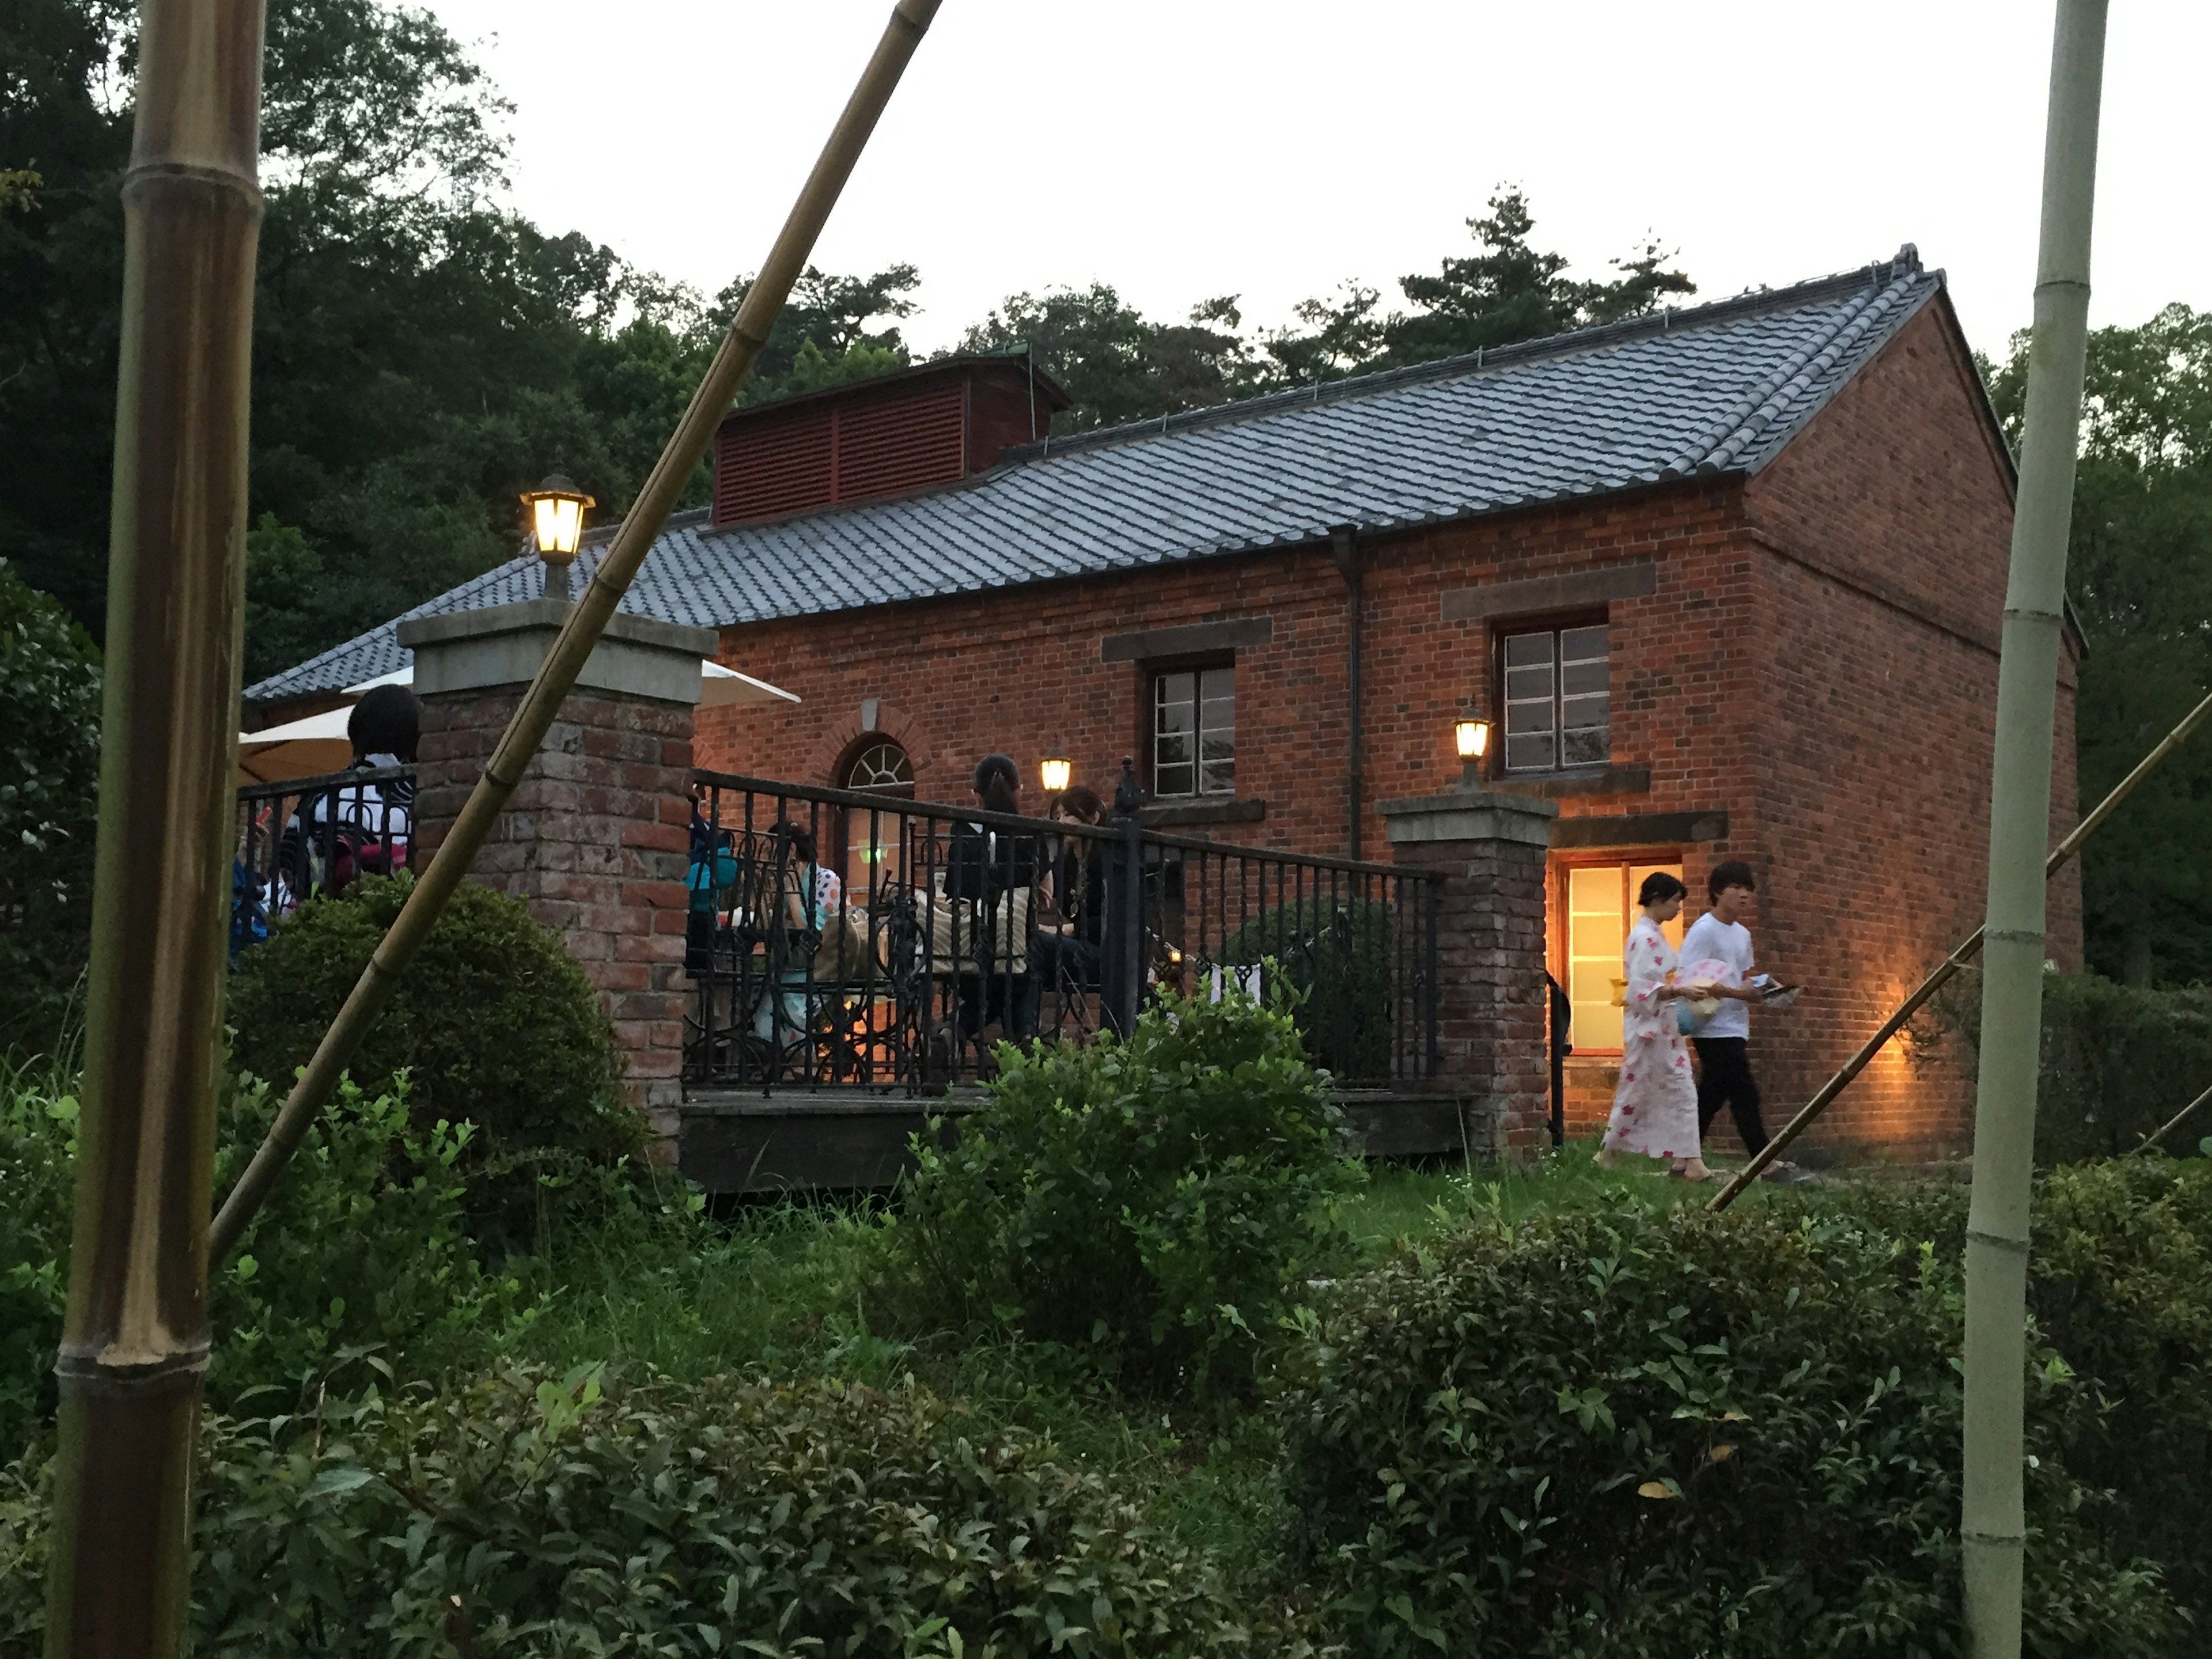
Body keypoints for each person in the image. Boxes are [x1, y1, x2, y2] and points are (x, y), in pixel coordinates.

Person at [1680, 859, 1798, 1177]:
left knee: (1713, 1094)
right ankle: (1765, 1162)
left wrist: (1765, 987)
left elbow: (1740, 975)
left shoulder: (1742, 934)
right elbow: (1689, 980)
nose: (1744, 895)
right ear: (1718, 892)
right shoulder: (1703, 931)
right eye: (1737, 888)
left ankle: (1683, 1160)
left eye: (1749, 889)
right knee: (1745, 1092)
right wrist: (1737, 994)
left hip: (1735, 1022)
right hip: (1709, 1025)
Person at [1598, 870, 1715, 1180]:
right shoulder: (1645, 938)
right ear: (1657, 900)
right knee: (1674, 1090)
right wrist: (1681, 990)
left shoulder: (1651, 935)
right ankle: (1688, 1160)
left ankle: (1683, 1158)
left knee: (1656, 1090)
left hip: (1661, 1028)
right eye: (1676, 901)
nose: (1679, 908)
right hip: (1651, 1029)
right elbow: (1639, 989)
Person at [276, 684, 421, 910]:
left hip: (310, 917)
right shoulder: (412, 796)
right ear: (412, 738)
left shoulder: (320, 794)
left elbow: (287, 862)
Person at [944, 754, 1041, 1046]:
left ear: (975, 795)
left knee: (990, 992)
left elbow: (952, 890)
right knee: (1025, 969)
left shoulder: (962, 832)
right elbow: (1042, 894)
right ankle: (1024, 1036)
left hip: (966, 946)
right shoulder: (1028, 833)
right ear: (1019, 790)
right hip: (1015, 945)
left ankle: (953, 1030)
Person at [1033, 783, 1106, 1007]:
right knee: (1025, 962)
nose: (1061, 823)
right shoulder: (1066, 865)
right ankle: (1027, 1028)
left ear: (1093, 818)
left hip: (1104, 955)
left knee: (1038, 945)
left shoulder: (1107, 864)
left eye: (1068, 815)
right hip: (1079, 949)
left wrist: (1070, 929)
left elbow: (1113, 920)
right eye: (1058, 816)